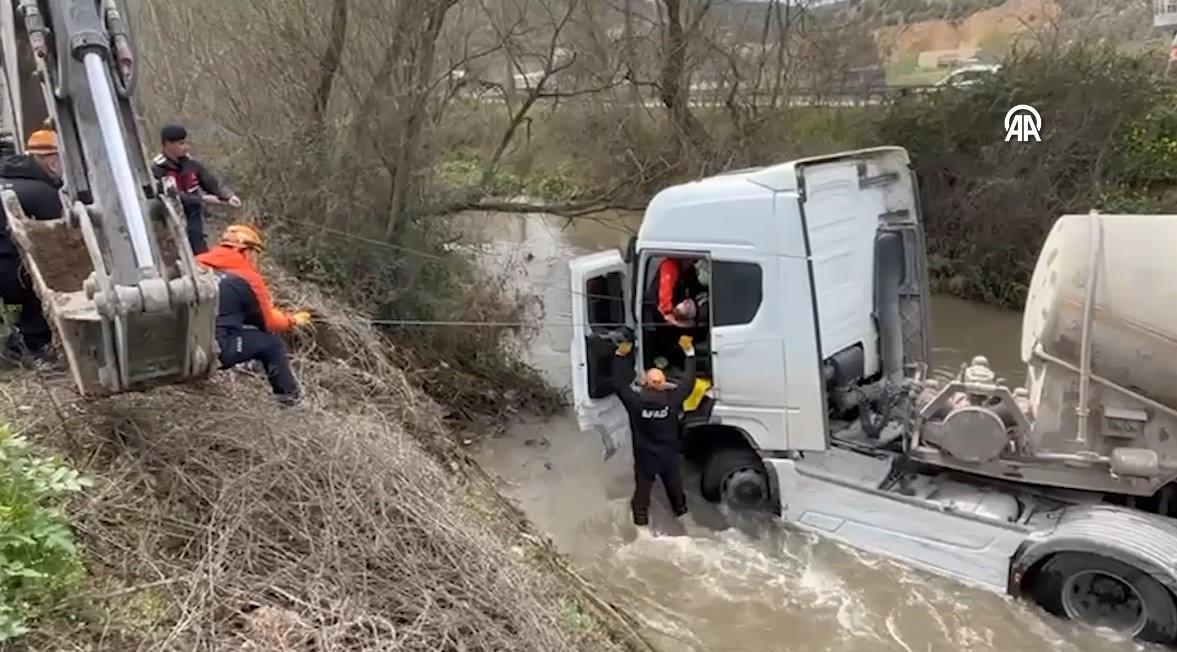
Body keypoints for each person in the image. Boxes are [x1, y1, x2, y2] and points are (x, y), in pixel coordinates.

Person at [195, 224, 311, 405]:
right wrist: (293, 320)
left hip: (186, 344)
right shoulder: (247, 277)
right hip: (214, 349)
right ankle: (291, 402)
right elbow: (269, 322)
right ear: (244, 250)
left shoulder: (196, 262)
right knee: (270, 343)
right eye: (255, 252)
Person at [612, 334, 697, 529]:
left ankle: (641, 531)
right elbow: (689, 382)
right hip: (668, 458)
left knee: (642, 496)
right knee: (676, 493)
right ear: (663, 383)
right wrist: (689, 352)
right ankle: (686, 523)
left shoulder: (635, 402)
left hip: (645, 459)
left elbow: (618, 384)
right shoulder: (673, 400)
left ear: (645, 383)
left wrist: (619, 355)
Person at [0, 128, 63, 367]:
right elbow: (58, 242)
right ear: (50, 159)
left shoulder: (5, 179)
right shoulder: (44, 193)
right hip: (12, 270)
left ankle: (14, 341)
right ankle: (35, 345)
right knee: (50, 276)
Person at [151, 123, 241, 254]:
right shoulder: (157, 169)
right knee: (177, 251)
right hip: (170, 217)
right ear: (167, 144)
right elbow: (169, 196)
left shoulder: (191, 164)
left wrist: (228, 196)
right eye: (180, 144)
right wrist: (202, 199)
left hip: (194, 214)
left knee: (199, 247)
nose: (185, 147)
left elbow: (211, 183)